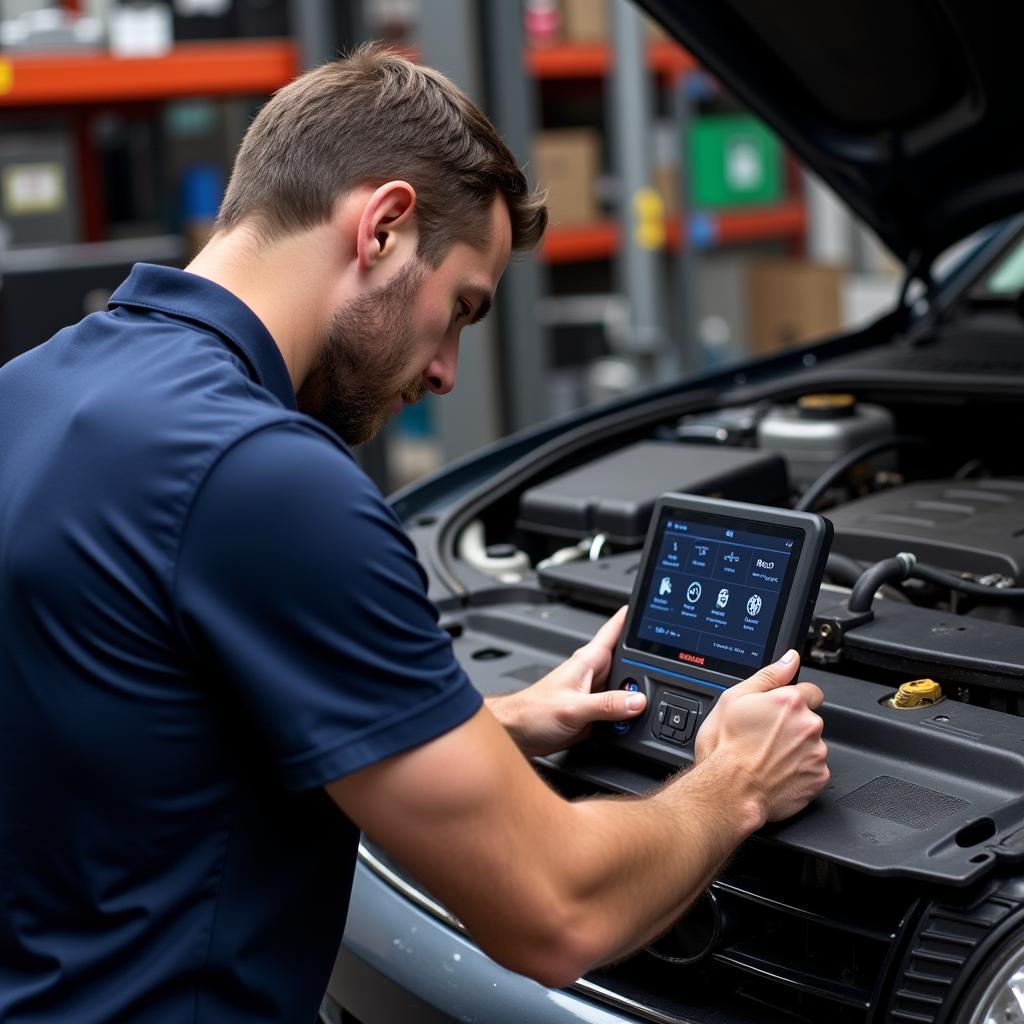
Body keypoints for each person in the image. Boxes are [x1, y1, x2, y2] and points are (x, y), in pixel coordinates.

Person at [0, 44, 828, 1023]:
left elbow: (131, 717)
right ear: (385, 227)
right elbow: (553, 913)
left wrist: (493, 725)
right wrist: (733, 779)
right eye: (462, 310)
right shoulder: (267, 479)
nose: (444, 370)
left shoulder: (33, 388)